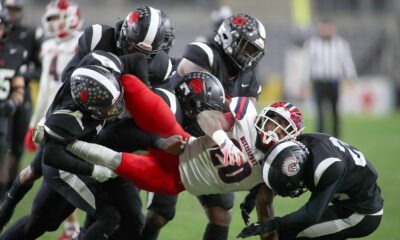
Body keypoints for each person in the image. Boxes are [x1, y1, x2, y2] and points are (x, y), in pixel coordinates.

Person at [0, 0, 83, 238]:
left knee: (52, 172)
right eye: (52, 19)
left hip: (73, 119)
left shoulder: (81, 44)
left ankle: (70, 227)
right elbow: (45, 87)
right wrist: (34, 123)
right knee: (46, 171)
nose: (55, 24)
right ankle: (70, 227)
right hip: (52, 119)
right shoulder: (48, 46)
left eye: (59, 18)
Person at [237, 134, 383, 239]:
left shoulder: (327, 168)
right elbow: (284, 169)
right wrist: (253, 194)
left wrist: (271, 225)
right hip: (345, 201)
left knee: (289, 234)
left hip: (360, 214)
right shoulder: (299, 146)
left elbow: (311, 215)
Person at [3, 0, 42, 191]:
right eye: (9, 9)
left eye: (15, 10)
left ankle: (10, 187)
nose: (12, 14)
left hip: (20, 94)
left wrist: (22, 74)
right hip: (2, 94)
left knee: (17, 148)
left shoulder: (29, 34)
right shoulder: (4, 31)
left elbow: (40, 69)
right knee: (3, 144)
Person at [303, 19, 357, 137]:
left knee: (335, 112)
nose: (326, 31)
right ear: (319, 29)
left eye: (328, 28)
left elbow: (347, 62)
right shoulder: (312, 43)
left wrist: (351, 79)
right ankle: (320, 138)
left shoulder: (341, 43)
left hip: (334, 82)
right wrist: (305, 83)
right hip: (319, 82)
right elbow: (308, 65)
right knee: (320, 113)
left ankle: (336, 139)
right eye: (324, 28)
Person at [0, 2, 26, 199]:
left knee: (3, 154)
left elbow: (19, 87)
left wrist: (14, 102)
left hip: (2, 112)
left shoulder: (14, 52)